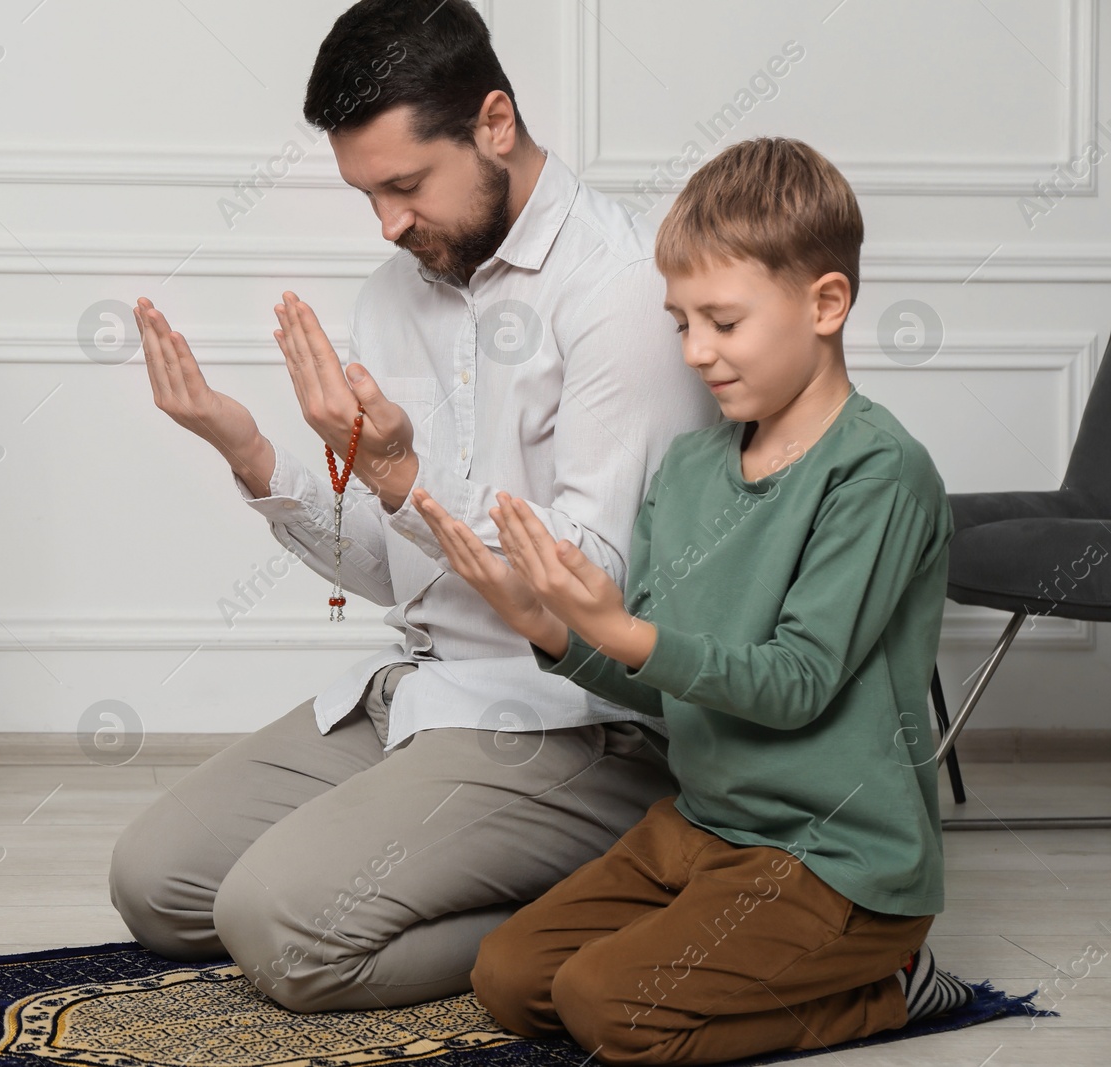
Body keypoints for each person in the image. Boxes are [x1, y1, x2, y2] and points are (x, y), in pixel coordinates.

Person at [110, 0, 717, 1012]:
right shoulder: (397, 294)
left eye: (403, 186)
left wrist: (404, 479)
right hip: (428, 685)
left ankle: (628, 879)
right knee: (161, 885)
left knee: (279, 929)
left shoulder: (621, 295)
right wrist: (254, 455)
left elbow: (586, 586)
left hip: (582, 721)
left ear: (493, 124)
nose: (388, 225)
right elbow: (395, 567)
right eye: (367, 195)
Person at [413, 135, 974, 1064]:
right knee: (509, 977)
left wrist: (620, 626)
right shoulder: (689, 467)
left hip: (835, 860)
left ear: (825, 303)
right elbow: (669, 678)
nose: (696, 353)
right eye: (680, 323)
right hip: (703, 825)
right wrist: (547, 626)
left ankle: (890, 985)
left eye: (722, 320)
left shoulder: (880, 471)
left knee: (607, 1007)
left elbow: (794, 683)